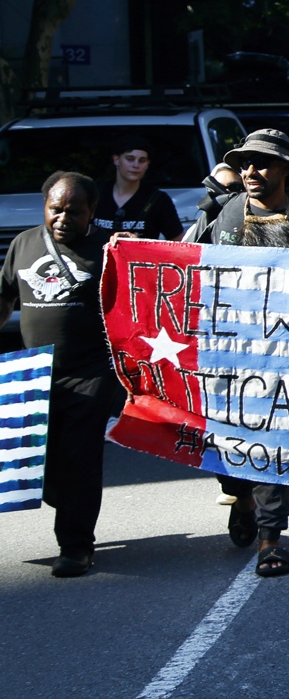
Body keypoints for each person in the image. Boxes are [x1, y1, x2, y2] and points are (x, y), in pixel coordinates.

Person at [201, 129, 289, 578]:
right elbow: (190, 266)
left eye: (262, 163)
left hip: (283, 360)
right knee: (225, 443)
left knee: (274, 448)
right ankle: (239, 497)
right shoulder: (222, 217)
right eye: (244, 164)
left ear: (286, 170)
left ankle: (271, 539)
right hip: (227, 353)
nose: (250, 172)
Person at [0, 172, 116, 578]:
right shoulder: (23, 244)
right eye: (56, 209)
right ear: (44, 207)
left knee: (80, 458)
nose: (63, 218)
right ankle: (66, 503)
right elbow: (4, 296)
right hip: (34, 374)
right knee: (43, 460)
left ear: (92, 213)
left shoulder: (109, 250)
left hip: (90, 374)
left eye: (74, 211)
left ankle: (76, 546)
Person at [95, 135, 184, 240]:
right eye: (130, 159)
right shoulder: (96, 192)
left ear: (147, 164)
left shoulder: (158, 199)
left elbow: (179, 242)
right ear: (116, 160)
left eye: (142, 160)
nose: (136, 165)